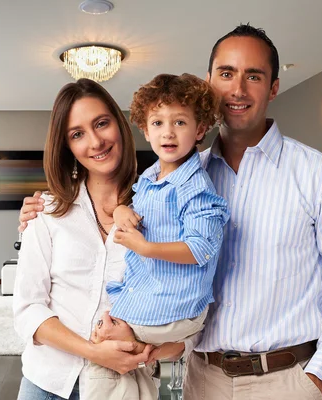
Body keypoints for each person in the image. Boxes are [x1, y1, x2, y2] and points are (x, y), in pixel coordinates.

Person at [19, 24, 322, 400]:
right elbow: (171, 287)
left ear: (273, 87)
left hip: (286, 379)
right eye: (226, 74)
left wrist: (318, 375)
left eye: (253, 76)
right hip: (203, 379)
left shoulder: (319, 172)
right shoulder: (170, 182)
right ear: (209, 83)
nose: (237, 89)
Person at [85, 73, 229, 400]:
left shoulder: (195, 188)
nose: (168, 132)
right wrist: (122, 211)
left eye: (180, 122)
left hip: (170, 308)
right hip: (153, 300)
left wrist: (145, 247)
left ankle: (135, 348)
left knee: (102, 351)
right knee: (125, 366)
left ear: (200, 130)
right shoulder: (151, 175)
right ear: (145, 130)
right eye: (158, 122)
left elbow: (201, 247)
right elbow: (136, 207)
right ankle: (139, 365)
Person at [12, 78, 157, 400]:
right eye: (77, 134)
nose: (95, 142)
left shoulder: (159, 211)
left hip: (122, 387)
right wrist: (95, 352)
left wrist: (148, 350)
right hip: (47, 384)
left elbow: (174, 297)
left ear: (119, 125)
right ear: (68, 147)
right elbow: (28, 309)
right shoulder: (46, 211)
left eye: (102, 123)